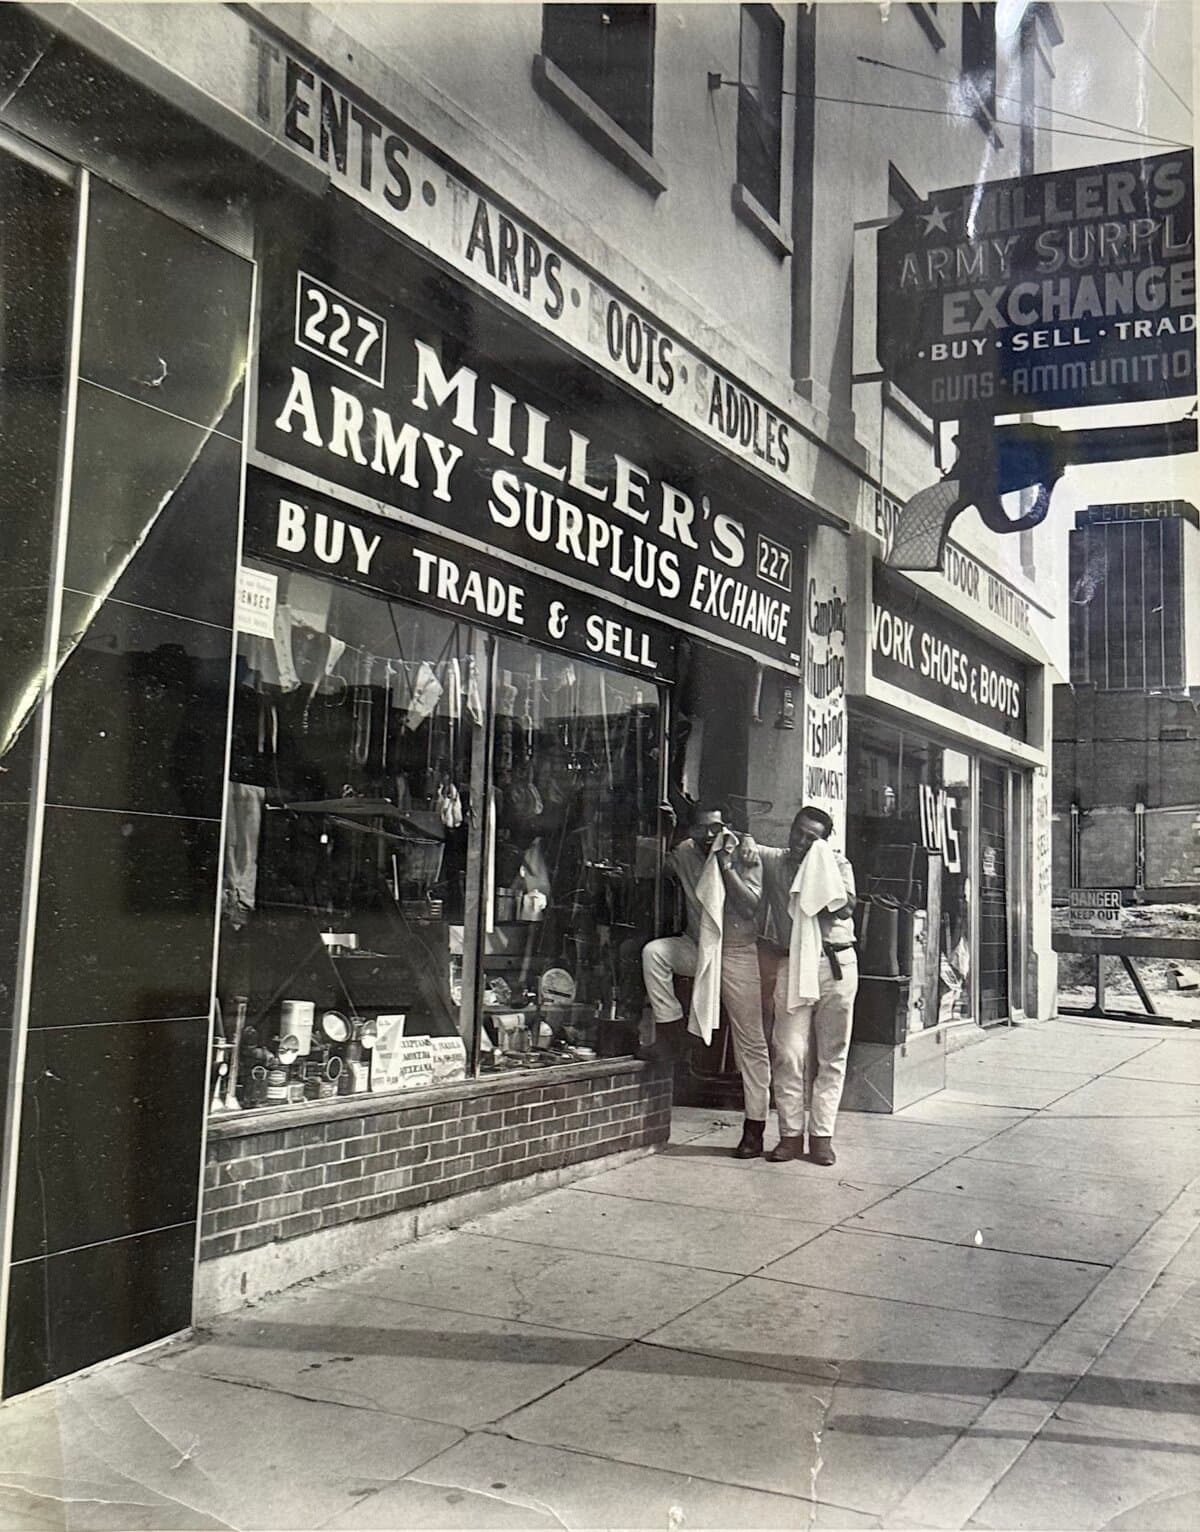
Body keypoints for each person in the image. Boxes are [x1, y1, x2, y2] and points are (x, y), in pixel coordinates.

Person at [641, 802, 772, 1159]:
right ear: (691, 830)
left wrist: (728, 866)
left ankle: (755, 1127)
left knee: (750, 1039)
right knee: (654, 953)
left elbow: (750, 906)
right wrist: (666, 832)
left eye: (715, 828)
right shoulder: (684, 851)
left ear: (725, 827)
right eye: (701, 829)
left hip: (735, 950)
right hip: (698, 945)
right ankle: (670, 1032)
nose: (708, 836)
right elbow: (649, 865)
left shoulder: (744, 852)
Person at [740, 806, 858, 1166]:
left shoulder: (837, 864)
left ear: (824, 841)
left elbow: (847, 907)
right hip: (793, 963)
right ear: (790, 830)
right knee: (788, 1051)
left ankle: (822, 1135)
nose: (803, 842)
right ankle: (790, 1135)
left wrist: (822, 873)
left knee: (832, 1054)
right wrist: (743, 840)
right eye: (799, 833)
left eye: (813, 838)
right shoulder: (777, 861)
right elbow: (747, 846)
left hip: (836, 962)